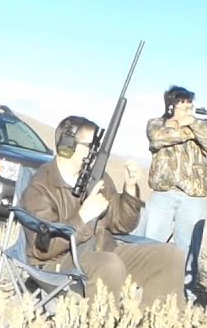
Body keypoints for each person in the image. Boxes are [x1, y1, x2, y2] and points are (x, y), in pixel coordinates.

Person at [20, 115, 186, 310]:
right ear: (68, 145)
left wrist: (130, 189)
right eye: (90, 146)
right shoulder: (41, 186)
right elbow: (44, 248)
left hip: (103, 250)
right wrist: (82, 217)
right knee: (109, 264)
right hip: (60, 263)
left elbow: (122, 224)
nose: (94, 153)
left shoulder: (96, 177)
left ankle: (157, 327)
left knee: (170, 255)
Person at [138, 86, 207, 301]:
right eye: (184, 104)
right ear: (172, 105)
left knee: (188, 249)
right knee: (150, 241)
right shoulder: (156, 123)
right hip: (163, 193)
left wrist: (194, 125)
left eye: (191, 104)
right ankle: (141, 287)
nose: (190, 108)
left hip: (193, 197)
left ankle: (183, 295)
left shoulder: (200, 126)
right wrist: (188, 130)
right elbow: (158, 138)